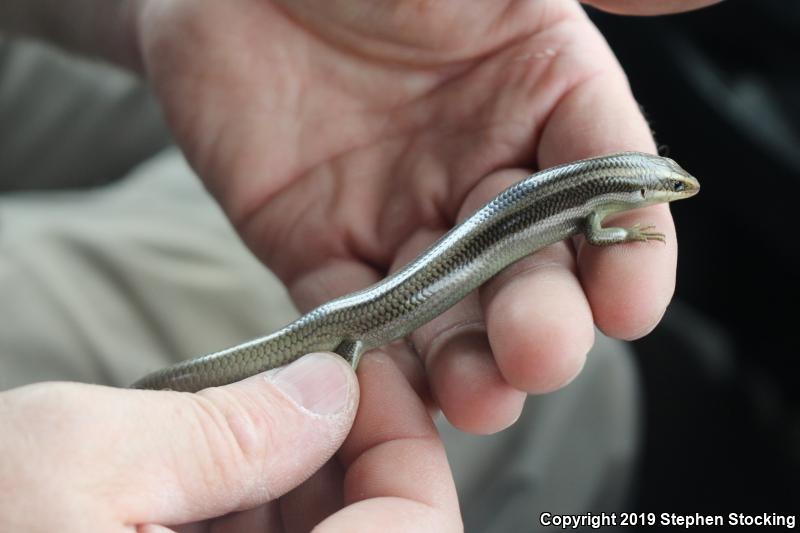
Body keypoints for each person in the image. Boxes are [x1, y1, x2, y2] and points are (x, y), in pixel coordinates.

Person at [0, 0, 720, 531]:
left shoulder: (590, 192)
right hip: (365, 318)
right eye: (668, 188)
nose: (675, 194)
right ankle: (166, 392)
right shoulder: (591, 204)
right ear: (634, 189)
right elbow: (596, 226)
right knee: (568, 386)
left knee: (551, 360)